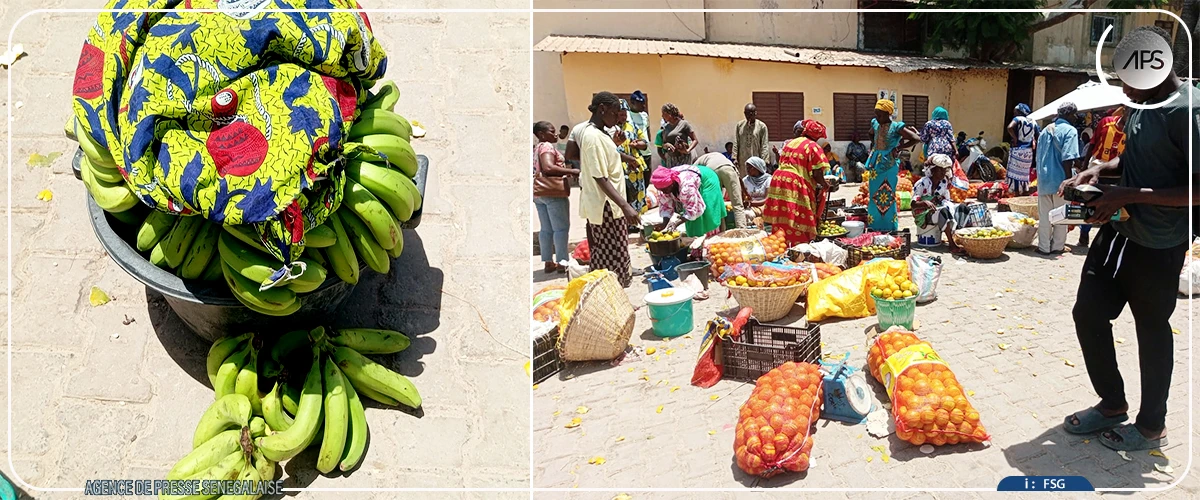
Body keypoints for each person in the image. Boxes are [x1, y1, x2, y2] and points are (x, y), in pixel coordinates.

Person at [1058, 25, 1199, 453]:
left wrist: (1131, 193)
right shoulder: (1145, 103)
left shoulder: (1187, 110)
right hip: (1118, 231)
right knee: (1088, 314)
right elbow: (1134, 154)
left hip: (1158, 243)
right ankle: (1113, 404)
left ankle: (1152, 425)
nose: (1123, 89)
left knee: (1151, 329)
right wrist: (1099, 170)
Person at [578, 92, 641, 288]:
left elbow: (606, 156)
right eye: (614, 114)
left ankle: (616, 297)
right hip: (605, 206)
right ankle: (607, 297)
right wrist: (625, 206)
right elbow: (600, 177)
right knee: (608, 257)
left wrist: (622, 153)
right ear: (602, 109)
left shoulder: (601, 133)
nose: (616, 120)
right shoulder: (591, 136)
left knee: (619, 254)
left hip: (612, 206)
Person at [762, 119, 831, 245]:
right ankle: (798, 244)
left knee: (782, 211)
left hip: (778, 179)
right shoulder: (813, 146)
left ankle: (780, 241)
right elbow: (817, 173)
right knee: (798, 212)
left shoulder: (791, 143)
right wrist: (826, 185)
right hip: (793, 181)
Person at [864, 99, 921, 232]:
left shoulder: (896, 127)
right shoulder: (875, 123)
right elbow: (871, 133)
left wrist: (899, 147)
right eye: (876, 114)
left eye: (880, 115)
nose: (877, 118)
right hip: (875, 165)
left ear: (888, 114)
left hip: (889, 165)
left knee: (888, 194)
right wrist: (874, 147)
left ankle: (889, 227)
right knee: (874, 195)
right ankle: (874, 226)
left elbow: (915, 138)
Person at [1034, 101, 1082, 255]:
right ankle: (1057, 247)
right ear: (1068, 114)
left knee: (1045, 216)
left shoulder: (1045, 130)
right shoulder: (1070, 131)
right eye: (1074, 114)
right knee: (1061, 216)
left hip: (1044, 180)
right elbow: (1068, 158)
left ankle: (1043, 247)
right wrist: (1069, 181)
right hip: (1061, 180)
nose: (1075, 117)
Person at [532, 121, 577, 273]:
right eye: (552, 131)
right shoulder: (546, 146)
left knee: (546, 229)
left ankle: (548, 262)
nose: (556, 134)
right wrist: (573, 172)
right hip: (553, 192)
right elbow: (548, 167)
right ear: (541, 134)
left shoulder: (536, 148)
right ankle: (562, 262)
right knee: (561, 228)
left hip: (538, 192)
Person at [652, 164, 728, 238]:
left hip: (707, 179)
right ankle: (695, 240)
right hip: (692, 176)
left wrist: (676, 223)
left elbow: (693, 209)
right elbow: (666, 206)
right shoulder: (663, 184)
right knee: (692, 220)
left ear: (672, 184)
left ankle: (712, 238)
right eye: (661, 190)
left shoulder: (687, 186)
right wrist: (664, 223)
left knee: (708, 214)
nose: (664, 192)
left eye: (665, 189)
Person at [911, 154, 966, 255]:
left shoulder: (943, 183)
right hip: (924, 214)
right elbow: (913, 204)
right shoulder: (922, 183)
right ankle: (952, 245)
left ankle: (956, 237)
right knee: (943, 212)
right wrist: (925, 202)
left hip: (938, 210)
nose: (943, 173)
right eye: (940, 170)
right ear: (932, 170)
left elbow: (947, 200)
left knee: (962, 208)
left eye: (944, 170)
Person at [612, 99, 649, 215]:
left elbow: (644, 143)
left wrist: (638, 144)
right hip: (620, 166)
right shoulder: (610, 128)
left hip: (635, 165)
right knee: (624, 193)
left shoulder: (632, 126)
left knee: (637, 192)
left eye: (625, 114)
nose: (623, 117)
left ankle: (636, 218)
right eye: (620, 114)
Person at [693, 151, 748, 228]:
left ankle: (721, 231)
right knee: (737, 205)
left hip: (711, 171)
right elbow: (739, 180)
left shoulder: (695, 164)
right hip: (729, 169)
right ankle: (742, 230)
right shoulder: (718, 155)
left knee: (717, 205)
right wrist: (743, 196)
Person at [1005, 103, 1039, 196]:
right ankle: (1023, 193)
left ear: (1019, 111)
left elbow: (1010, 127)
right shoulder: (1033, 121)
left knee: (1015, 175)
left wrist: (1015, 138)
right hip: (1028, 153)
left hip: (1018, 151)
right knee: (1024, 175)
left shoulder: (1018, 119)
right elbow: (1038, 135)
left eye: (1015, 111)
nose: (1013, 113)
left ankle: (1016, 194)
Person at [734, 103, 770, 177]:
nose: (749, 116)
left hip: (756, 159)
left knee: (755, 180)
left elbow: (764, 144)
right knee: (743, 181)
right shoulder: (740, 125)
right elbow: (736, 141)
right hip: (743, 160)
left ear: (755, 113)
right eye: (747, 114)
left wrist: (764, 160)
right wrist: (734, 157)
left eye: (751, 114)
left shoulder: (762, 126)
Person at [660, 103, 697, 168]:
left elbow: (695, 140)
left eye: (663, 113)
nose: (662, 116)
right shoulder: (666, 127)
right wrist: (666, 145)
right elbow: (663, 144)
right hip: (671, 159)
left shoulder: (684, 124)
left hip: (684, 158)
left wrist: (688, 151)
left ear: (669, 114)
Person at [628, 90, 654, 172]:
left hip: (646, 152)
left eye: (644, 103)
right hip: (634, 153)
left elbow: (647, 130)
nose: (643, 106)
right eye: (640, 103)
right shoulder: (627, 115)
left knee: (647, 178)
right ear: (632, 103)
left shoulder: (644, 115)